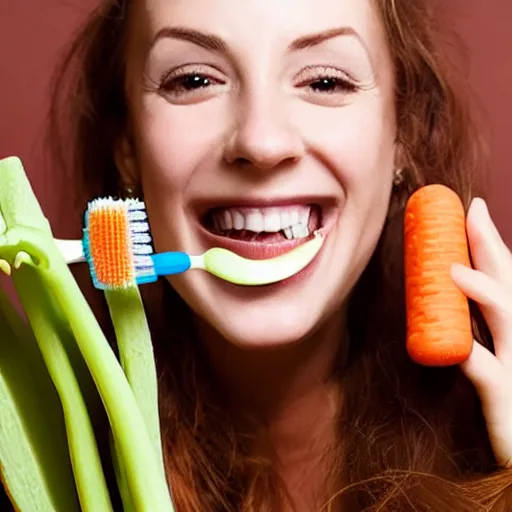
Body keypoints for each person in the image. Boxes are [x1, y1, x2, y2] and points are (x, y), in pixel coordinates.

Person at [46, 0, 512, 510]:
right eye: (195, 80)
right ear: (127, 147)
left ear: (401, 132)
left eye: (325, 82)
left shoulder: (489, 443)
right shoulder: (32, 457)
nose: (261, 142)